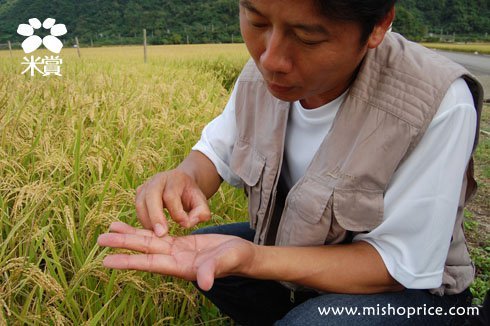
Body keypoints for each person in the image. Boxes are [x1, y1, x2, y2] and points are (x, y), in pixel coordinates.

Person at [97, 0, 484, 324]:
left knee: (310, 321)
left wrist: (256, 259)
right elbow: (215, 153)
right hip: (300, 258)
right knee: (201, 256)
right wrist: (184, 176)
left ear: (378, 27)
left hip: (410, 294)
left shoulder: (438, 102)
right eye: (256, 20)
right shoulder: (263, 76)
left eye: (308, 37)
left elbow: (397, 267)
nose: (271, 59)